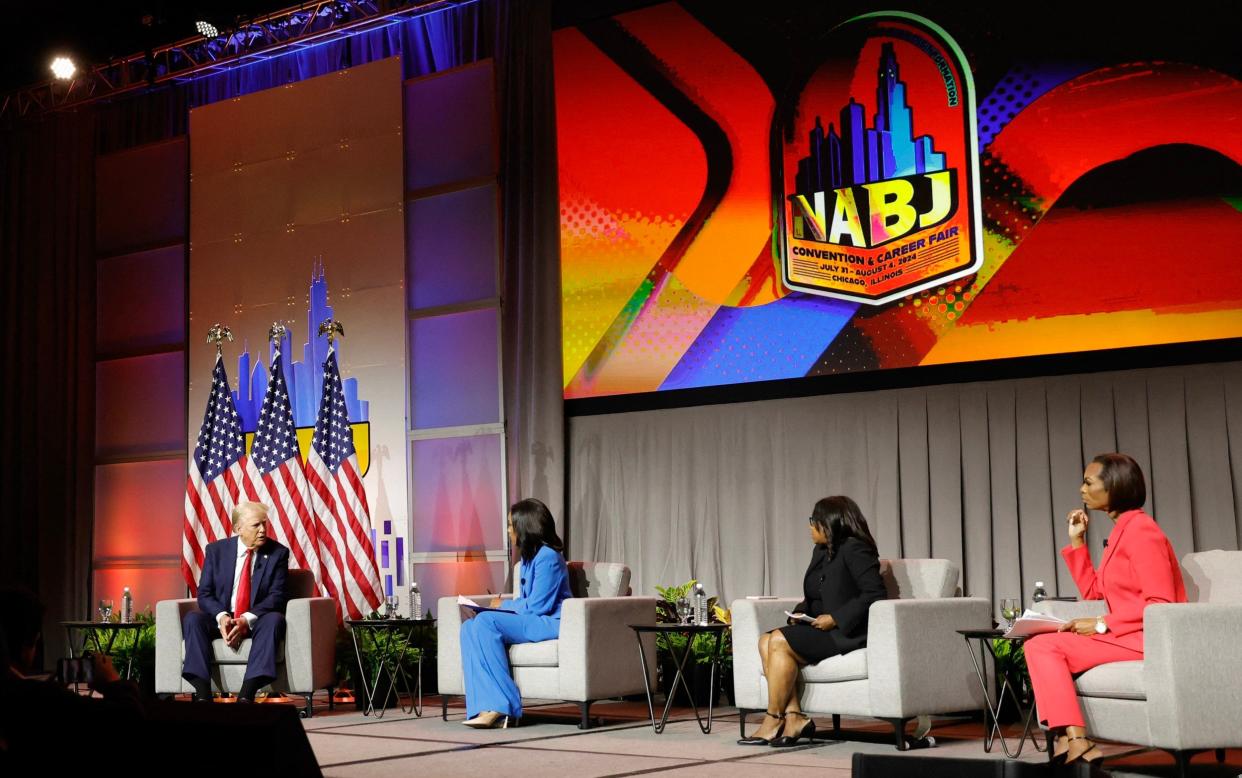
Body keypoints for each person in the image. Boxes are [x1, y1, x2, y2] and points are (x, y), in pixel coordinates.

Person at [1025, 453, 1186, 765]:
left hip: (1145, 638)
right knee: (1040, 644)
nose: (1081, 489)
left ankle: (1074, 740)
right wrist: (1077, 543)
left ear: (1114, 487)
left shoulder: (1142, 531)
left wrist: (1101, 624)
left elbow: (1161, 604)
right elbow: (1095, 592)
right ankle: (1068, 739)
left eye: (1089, 482)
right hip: (1125, 634)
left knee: (1045, 647)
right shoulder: (1122, 531)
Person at [739, 496, 887, 746]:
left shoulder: (855, 548)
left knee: (776, 640)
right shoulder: (820, 551)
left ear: (831, 523)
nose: (810, 527)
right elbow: (814, 594)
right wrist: (800, 613)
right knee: (765, 640)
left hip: (846, 632)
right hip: (818, 626)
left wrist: (837, 619)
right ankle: (794, 717)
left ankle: (773, 718)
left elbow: (874, 594)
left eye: (814, 521)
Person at [459, 498, 573, 729]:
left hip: (550, 621)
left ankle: (503, 707)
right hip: (534, 618)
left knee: (486, 621)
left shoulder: (548, 557)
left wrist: (500, 607)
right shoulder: (529, 559)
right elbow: (526, 603)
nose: (509, 530)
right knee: (469, 627)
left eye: (511, 525)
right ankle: (483, 706)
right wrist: (503, 605)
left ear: (525, 526)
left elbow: (538, 606)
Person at [1, 586, 144, 766]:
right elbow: (129, 721)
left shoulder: (20, 691)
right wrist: (113, 681)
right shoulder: (40, 699)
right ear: (28, 643)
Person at [182, 501, 290, 703]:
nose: (263, 530)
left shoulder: (278, 553)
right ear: (238, 528)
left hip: (256, 618)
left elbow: (277, 596)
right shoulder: (216, 551)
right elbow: (204, 593)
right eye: (256, 525)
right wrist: (222, 617)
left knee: (275, 619)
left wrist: (245, 619)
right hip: (223, 616)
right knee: (193, 619)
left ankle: (247, 694)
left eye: (264, 524)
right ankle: (203, 694)